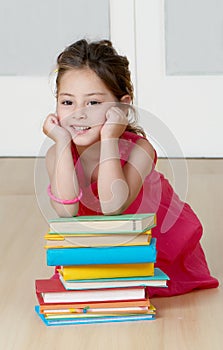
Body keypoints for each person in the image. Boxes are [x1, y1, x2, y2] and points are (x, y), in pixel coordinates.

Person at [43, 39, 218, 297]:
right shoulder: (58, 152)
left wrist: (111, 139)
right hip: (97, 250)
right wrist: (60, 142)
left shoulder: (140, 151)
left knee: (132, 286)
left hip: (151, 248)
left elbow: (113, 206)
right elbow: (67, 210)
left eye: (93, 103)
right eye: (67, 102)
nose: (78, 114)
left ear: (122, 106)